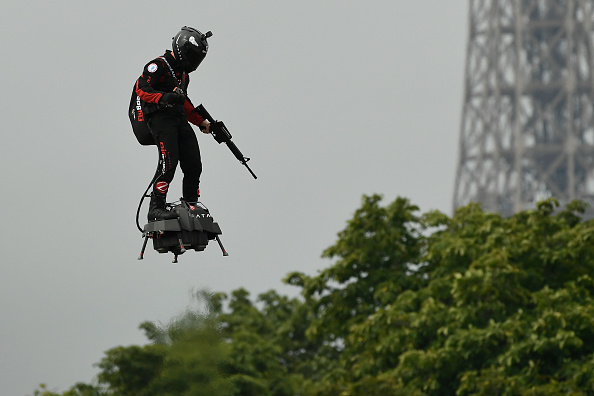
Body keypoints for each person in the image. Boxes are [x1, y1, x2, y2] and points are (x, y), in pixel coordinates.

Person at [134, 26, 212, 222]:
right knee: (169, 163)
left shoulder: (184, 75)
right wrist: (164, 97)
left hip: (179, 119)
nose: (195, 62)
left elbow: (184, 102)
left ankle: (190, 205)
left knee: (194, 163)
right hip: (161, 119)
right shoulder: (158, 64)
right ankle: (156, 207)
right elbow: (141, 89)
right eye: (193, 56)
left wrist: (201, 121)